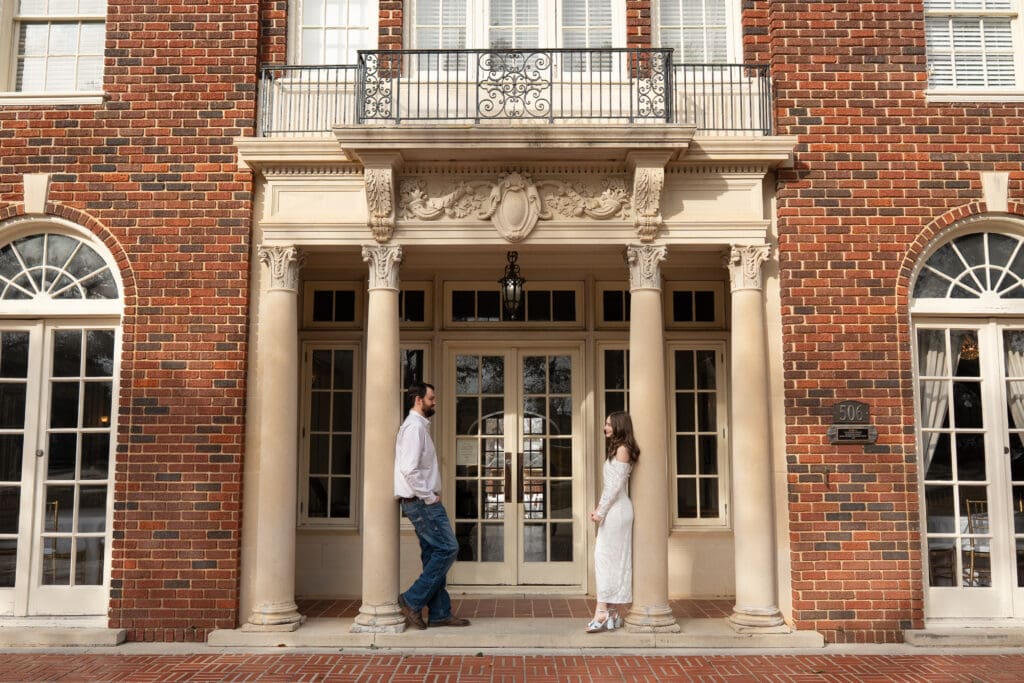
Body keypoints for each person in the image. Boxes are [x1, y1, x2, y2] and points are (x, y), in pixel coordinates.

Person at [394, 381, 471, 630]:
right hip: (421, 503)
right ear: (418, 400)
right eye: (431, 398)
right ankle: (411, 599)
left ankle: (439, 613)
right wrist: (429, 496)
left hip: (420, 501)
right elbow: (408, 469)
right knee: (449, 548)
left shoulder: (418, 428)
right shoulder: (414, 429)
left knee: (432, 555)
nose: (434, 402)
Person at [586, 410, 639, 632]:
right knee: (610, 559)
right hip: (614, 510)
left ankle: (602, 611)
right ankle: (613, 614)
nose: (605, 427)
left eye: (608, 424)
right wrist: (601, 508)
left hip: (617, 511)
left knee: (606, 558)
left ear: (618, 426)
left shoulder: (623, 450)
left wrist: (601, 510)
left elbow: (614, 487)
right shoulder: (618, 449)